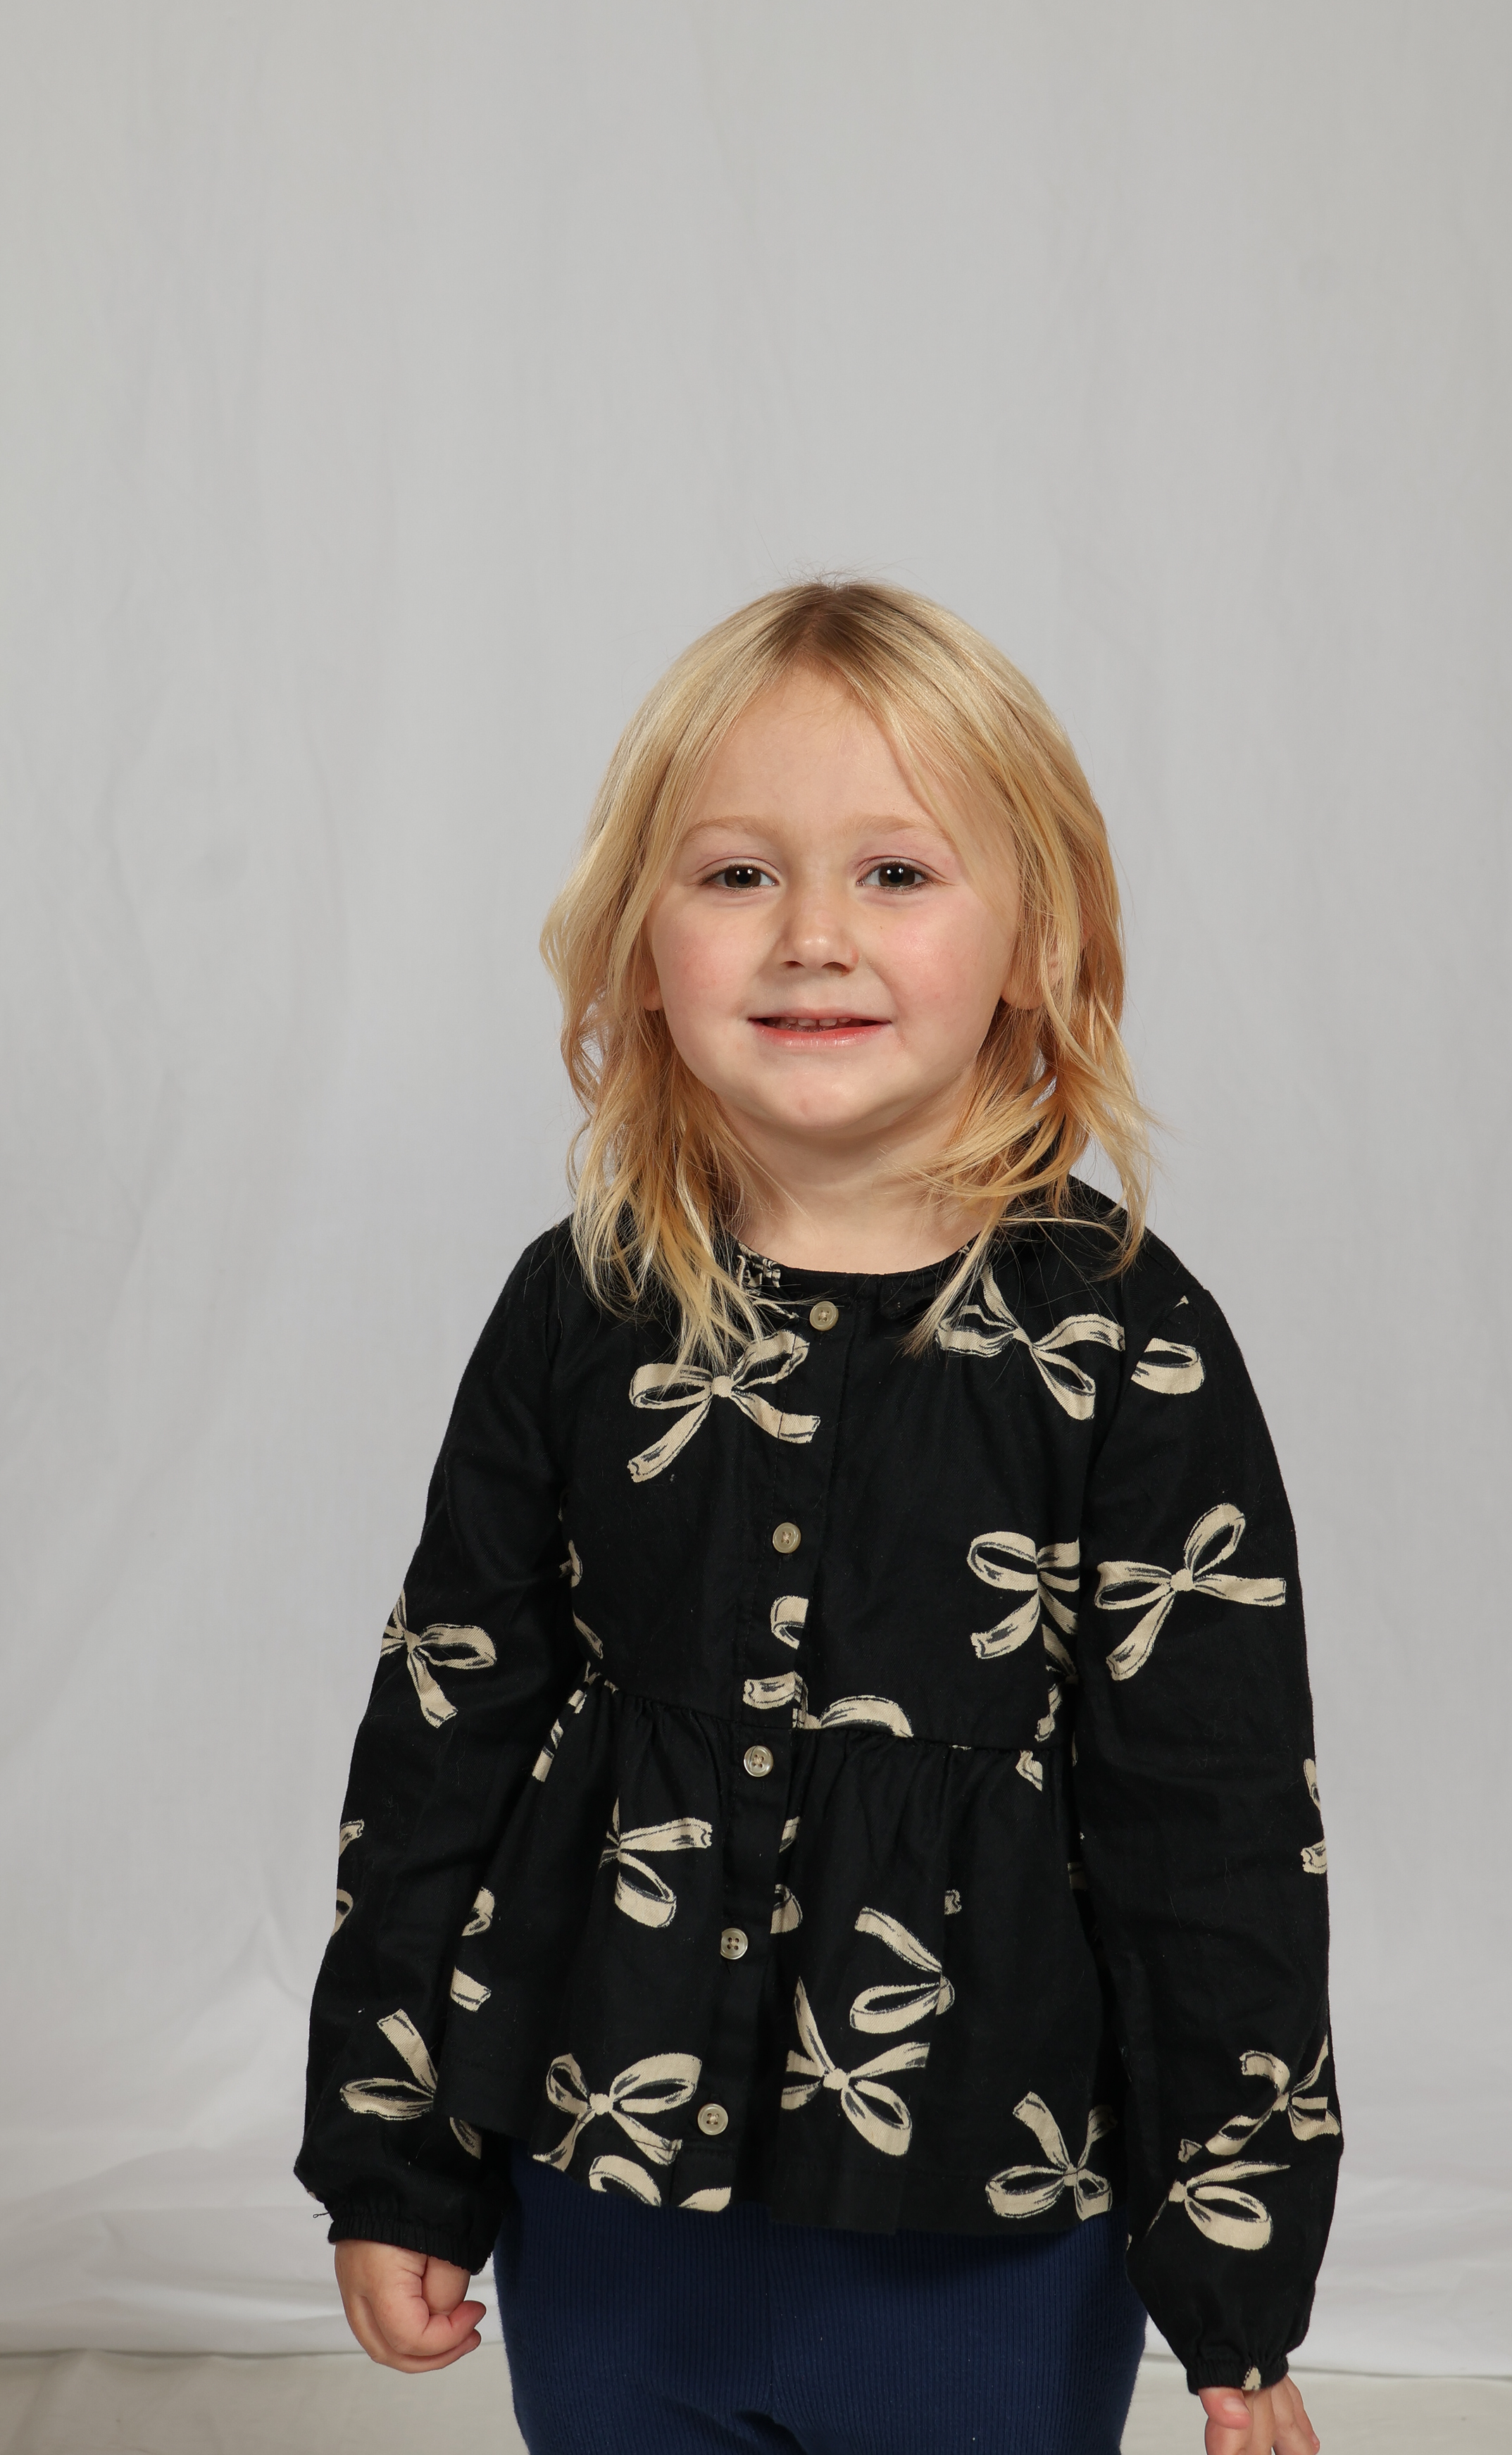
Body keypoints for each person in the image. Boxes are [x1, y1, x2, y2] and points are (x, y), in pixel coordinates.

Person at [296, 581, 1339, 2455]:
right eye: (736, 875)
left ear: (1034, 942)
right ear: (639, 948)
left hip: (993, 2229)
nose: (812, 938)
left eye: (897, 874)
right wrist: (395, 2159)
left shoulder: (1130, 1342)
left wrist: (1234, 2293)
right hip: (603, 2181)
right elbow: (447, 1741)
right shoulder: (582, 1305)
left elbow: (1215, 1830)